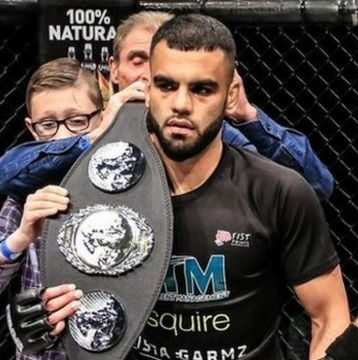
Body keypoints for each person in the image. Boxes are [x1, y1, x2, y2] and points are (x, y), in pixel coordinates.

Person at [5, 14, 350, 360]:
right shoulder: (92, 186)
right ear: (146, 86)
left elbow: (329, 316)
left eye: (202, 89)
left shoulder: (276, 190)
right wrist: (43, 325)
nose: (181, 104)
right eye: (166, 86)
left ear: (230, 93)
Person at [0, 11, 334, 201]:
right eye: (138, 59)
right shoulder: (89, 124)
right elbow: (7, 177)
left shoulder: (207, 129)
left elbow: (317, 187)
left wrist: (248, 117)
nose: (149, 74)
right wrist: (97, 135)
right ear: (113, 68)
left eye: (162, 64)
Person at [0, 57, 123, 359]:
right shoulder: (23, 191)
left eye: (77, 120)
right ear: (31, 127)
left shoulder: (129, 183)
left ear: (103, 117)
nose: (62, 135)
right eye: (48, 124)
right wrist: (20, 237)